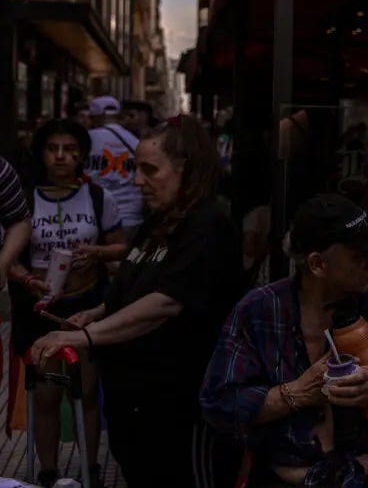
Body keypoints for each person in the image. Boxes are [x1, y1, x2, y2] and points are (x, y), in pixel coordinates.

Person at [31, 115, 244, 488]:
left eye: (149, 170)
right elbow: (136, 286)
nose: (137, 181)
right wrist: (96, 312)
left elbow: (166, 303)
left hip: (181, 409)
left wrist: (86, 337)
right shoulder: (155, 225)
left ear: (187, 170)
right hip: (136, 407)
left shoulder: (207, 226)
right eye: (135, 169)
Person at [202, 194, 368, 487]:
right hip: (288, 478)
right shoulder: (260, 310)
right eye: (359, 256)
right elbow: (219, 404)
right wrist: (297, 392)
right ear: (318, 264)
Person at [8, 120, 124, 488]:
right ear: (41, 153)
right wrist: (28, 279)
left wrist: (98, 254)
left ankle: (90, 469)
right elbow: (6, 256)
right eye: (52, 148)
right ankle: (47, 472)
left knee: (87, 391)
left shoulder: (98, 197)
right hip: (39, 310)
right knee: (45, 394)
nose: (61, 156)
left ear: (82, 155)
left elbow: (124, 247)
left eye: (70, 149)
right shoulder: (23, 200)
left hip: (84, 307)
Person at [84, 96, 145, 239]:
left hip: (97, 218)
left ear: (94, 117)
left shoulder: (85, 141)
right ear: (118, 116)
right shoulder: (135, 142)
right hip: (131, 217)